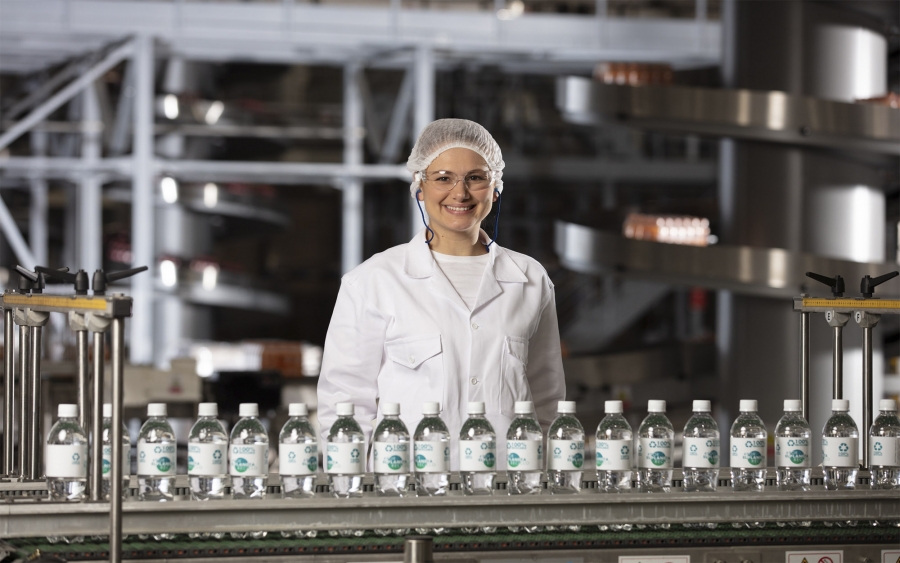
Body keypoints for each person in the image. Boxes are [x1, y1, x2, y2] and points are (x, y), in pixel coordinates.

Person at [316, 118, 566, 469]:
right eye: (443, 178)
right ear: (419, 187)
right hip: (406, 488)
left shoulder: (530, 279)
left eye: (475, 177)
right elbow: (344, 407)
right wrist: (354, 488)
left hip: (509, 487)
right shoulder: (373, 281)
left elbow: (547, 402)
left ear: (495, 188)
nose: (460, 193)